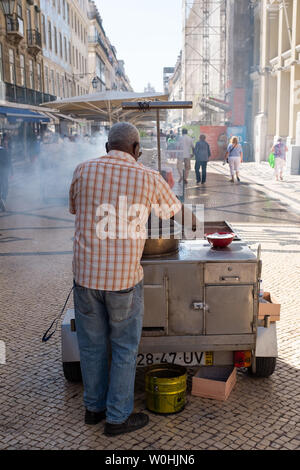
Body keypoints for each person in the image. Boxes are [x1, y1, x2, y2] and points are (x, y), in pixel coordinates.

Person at [69, 122, 182, 436]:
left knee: (91, 347)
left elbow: (76, 209)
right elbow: (174, 211)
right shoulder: (147, 176)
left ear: (107, 147)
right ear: (137, 149)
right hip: (123, 282)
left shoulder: (82, 170)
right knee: (123, 349)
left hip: (86, 278)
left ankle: (94, 409)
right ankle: (117, 418)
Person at [0, 134, 13, 211]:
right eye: (5, 144)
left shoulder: (6, 151)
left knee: (2, 186)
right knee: (5, 187)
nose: (6, 145)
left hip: (4, 171)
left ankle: (2, 200)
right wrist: (12, 172)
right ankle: (3, 199)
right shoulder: (5, 151)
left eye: (7, 144)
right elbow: (9, 162)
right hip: (4, 171)